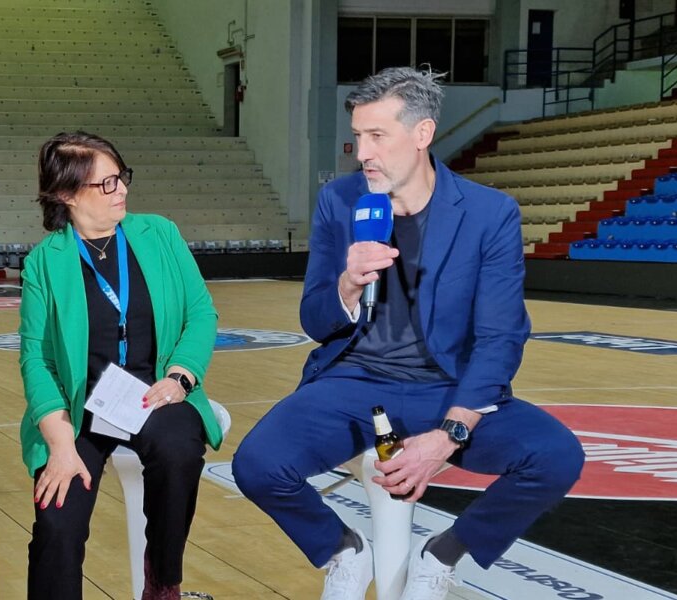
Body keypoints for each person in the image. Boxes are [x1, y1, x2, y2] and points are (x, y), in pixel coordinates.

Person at [231, 67, 584, 600]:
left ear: (423, 133)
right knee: (257, 466)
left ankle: (444, 554)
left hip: (448, 387)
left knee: (557, 456)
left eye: (378, 136)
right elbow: (315, 320)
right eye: (358, 136)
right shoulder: (340, 201)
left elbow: (501, 337)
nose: (362, 153)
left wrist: (450, 433)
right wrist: (348, 284)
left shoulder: (489, 213)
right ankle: (342, 550)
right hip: (351, 381)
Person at [18, 131, 222, 600]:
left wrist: (181, 376)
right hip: (80, 409)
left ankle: (162, 580)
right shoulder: (43, 263)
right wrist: (60, 444)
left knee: (178, 451)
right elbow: (37, 358)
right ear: (67, 194)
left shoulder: (160, 234)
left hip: (154, 393)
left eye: (122, 176)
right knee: (56, 522)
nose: (122, 189)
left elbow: (201, 312)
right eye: (107, 183)